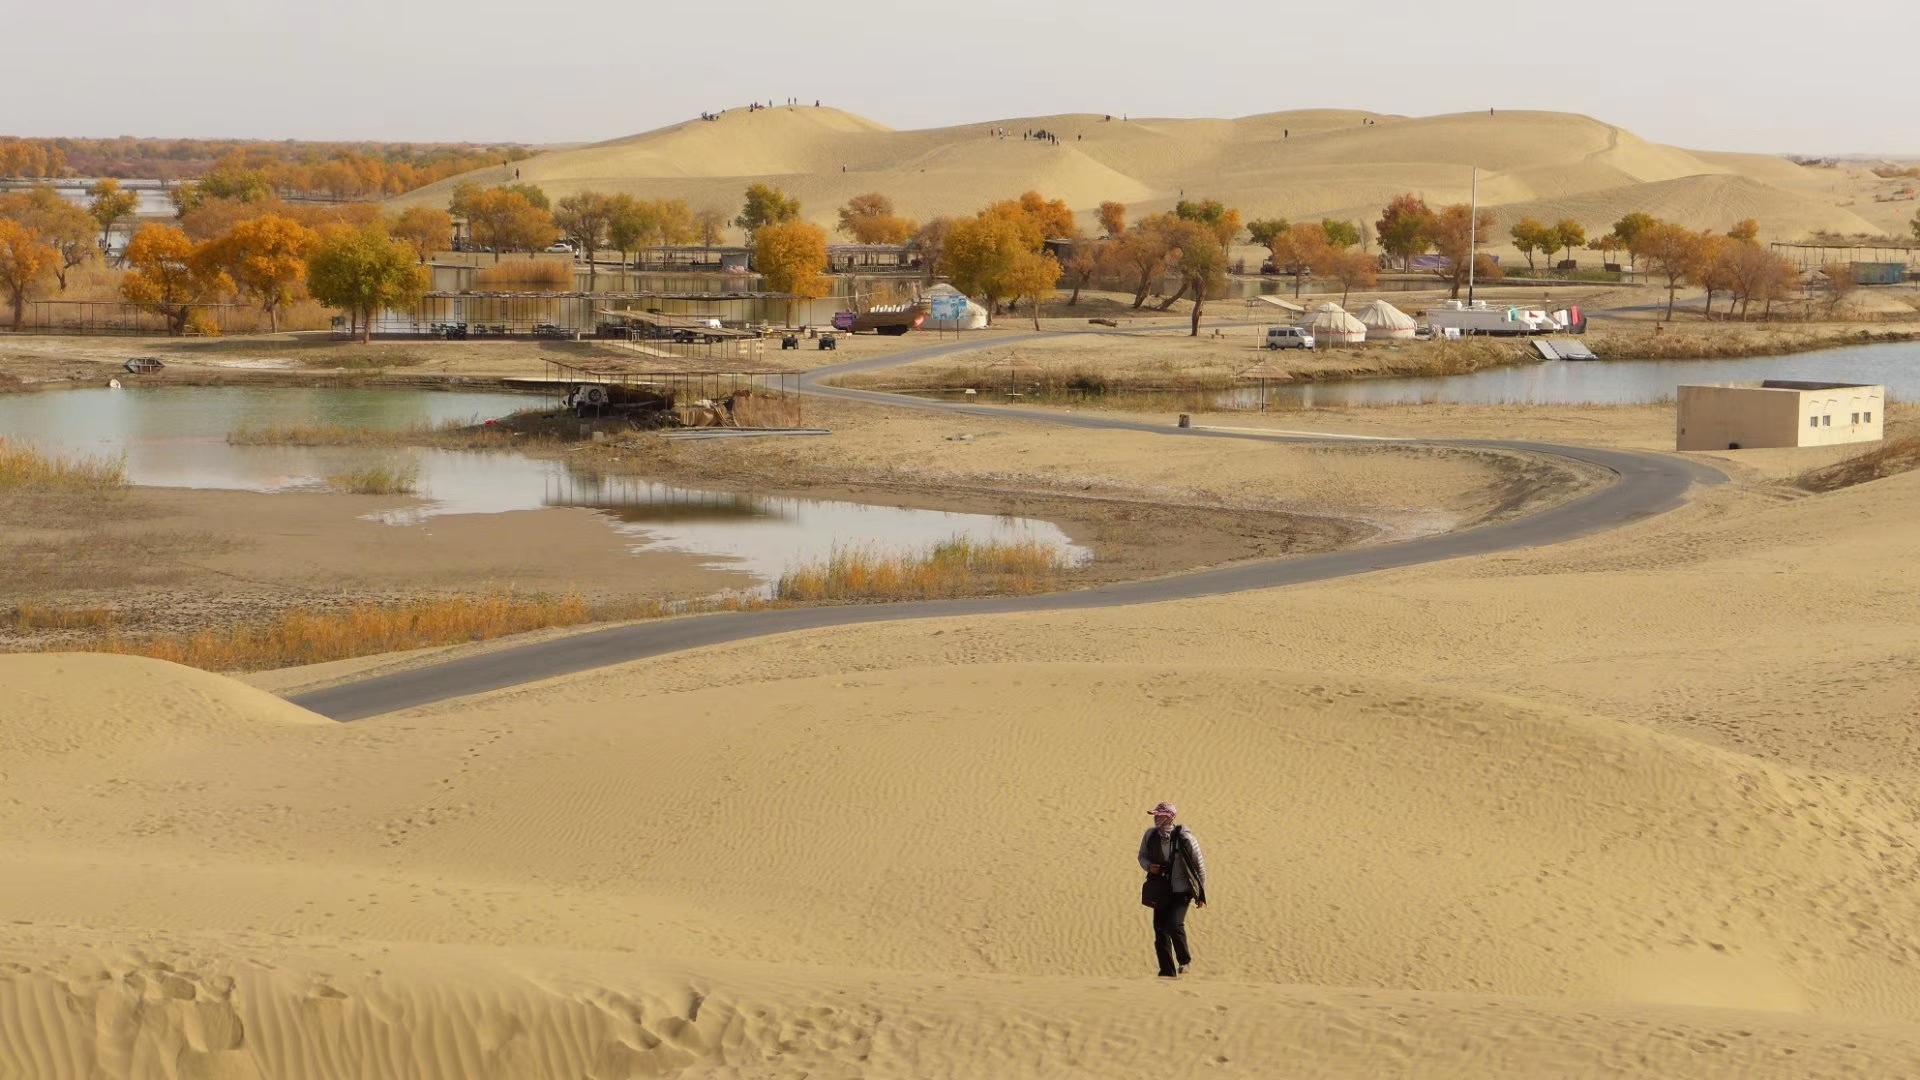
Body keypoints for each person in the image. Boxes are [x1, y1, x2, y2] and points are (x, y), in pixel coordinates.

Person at [1138, 802, 1207, 978]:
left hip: (1182, 891)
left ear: (1170, 817)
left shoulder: (1185, 838)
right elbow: (1142, 856)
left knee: (1174, 924)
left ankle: (1184, 961)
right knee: (1160, 930)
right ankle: (1167, 973)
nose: (1156, 818)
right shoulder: (1150, 835)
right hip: (1161, 890)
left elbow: (1199, 865)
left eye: (1160, 815)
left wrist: (1200, 893)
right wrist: (1149, 867)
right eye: (1155, 815)